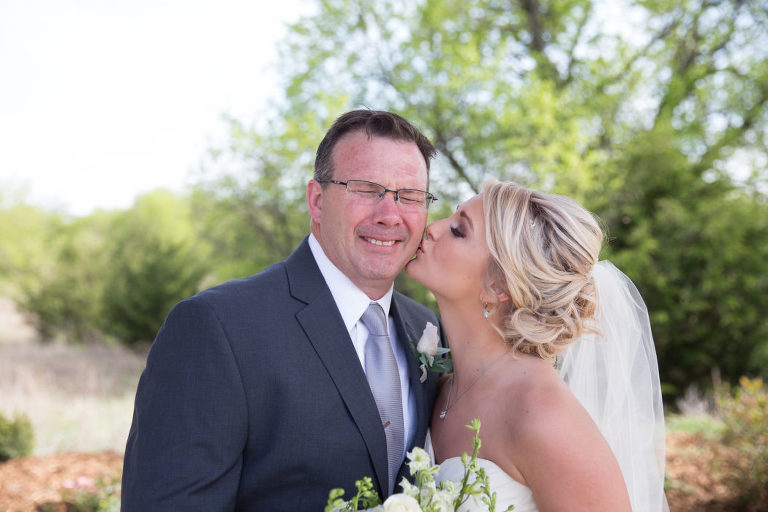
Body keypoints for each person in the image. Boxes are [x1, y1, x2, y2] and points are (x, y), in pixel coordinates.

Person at [121, 110, 444, 511]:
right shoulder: (217, 329)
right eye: (365, 188)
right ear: (317, 200)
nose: (389, 214)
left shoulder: (431, 331)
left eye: (410, 195)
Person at [406, 180, 668, 511]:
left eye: (459, 230)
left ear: (498, 285)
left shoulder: (543, 414)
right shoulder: (441, 387)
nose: (431, 227)